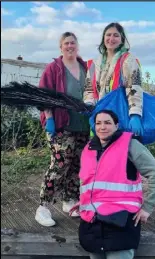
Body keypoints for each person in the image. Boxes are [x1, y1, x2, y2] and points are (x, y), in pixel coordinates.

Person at [70, 110, 155, 259]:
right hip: (92, 224)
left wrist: (147, 207)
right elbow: (89, 182)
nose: (102, 127)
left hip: (121, 223)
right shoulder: (88, 149)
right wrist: (84, 201)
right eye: (98, 123)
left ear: (116, 125)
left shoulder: (130, 145)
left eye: (107, 123)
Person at [35, 32, 90, 227]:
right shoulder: (54, 68)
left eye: (73, 43)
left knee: (77, 165)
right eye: (66, 43)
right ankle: (43, 207)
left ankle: (70, 201)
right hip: (60, 126)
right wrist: (49, 119)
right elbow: (42, 96)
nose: (69, 46)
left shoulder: (85, 67)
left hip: (82, 126)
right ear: (61, 47)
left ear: (77, 45)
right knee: (59, 164)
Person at [84, 22, 143, 136]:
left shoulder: (128, 60)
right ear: (103, 38)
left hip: (120, 116)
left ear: (122, 39)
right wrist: (89, 105)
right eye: (108, 35)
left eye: (116, 35)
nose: (111, 38)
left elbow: (134, 87)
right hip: (98, 118)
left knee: (118, 151)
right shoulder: (93, 64)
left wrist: (135, 114)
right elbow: (89, 89)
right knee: (100, 151)